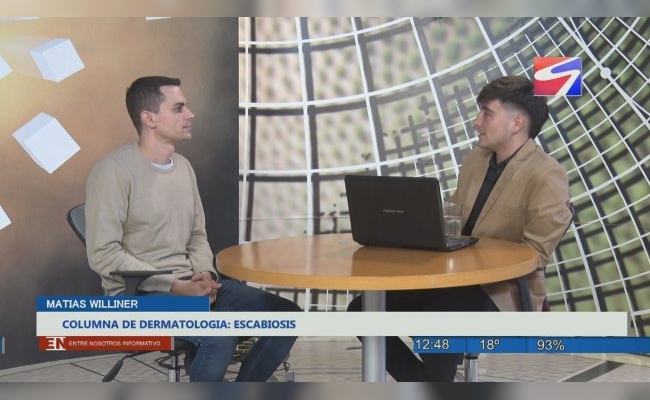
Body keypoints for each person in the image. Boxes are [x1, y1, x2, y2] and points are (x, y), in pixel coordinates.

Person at [347, 75, 573, 381]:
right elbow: (454, 217)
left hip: (502, 291)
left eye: (487, 114)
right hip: (454, 278)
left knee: (436, 326)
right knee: (362, 311)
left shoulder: (547, 175)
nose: (476, 122)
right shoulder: (476, 159)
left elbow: (535, 254)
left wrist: (471, 255)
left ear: (516, 123)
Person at [85, 76, 301, 382]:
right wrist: (176, 286)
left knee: (287, 316)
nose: (190, 114)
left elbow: (197, 236)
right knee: (219, 336)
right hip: (140, 296)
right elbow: (104, 254)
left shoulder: (184, 167)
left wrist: (205, 275)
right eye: (179, 108)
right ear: (149, 118)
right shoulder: (113, 171)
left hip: (190, 285)